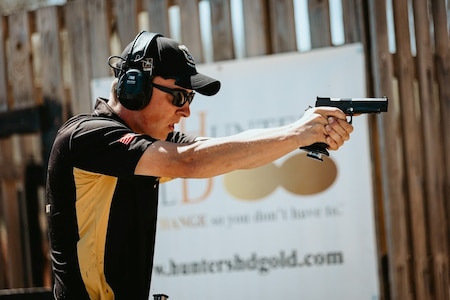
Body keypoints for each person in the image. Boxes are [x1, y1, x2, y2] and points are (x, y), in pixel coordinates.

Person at [45, 31, 353, 300]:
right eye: (179, 96)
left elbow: (228, 151)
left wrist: (301, 135)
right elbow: (191, 161)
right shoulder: (86, 137)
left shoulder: (145, 143)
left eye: (190, 98)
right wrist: (298, 133)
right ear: (134, 87)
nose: (187, 111)